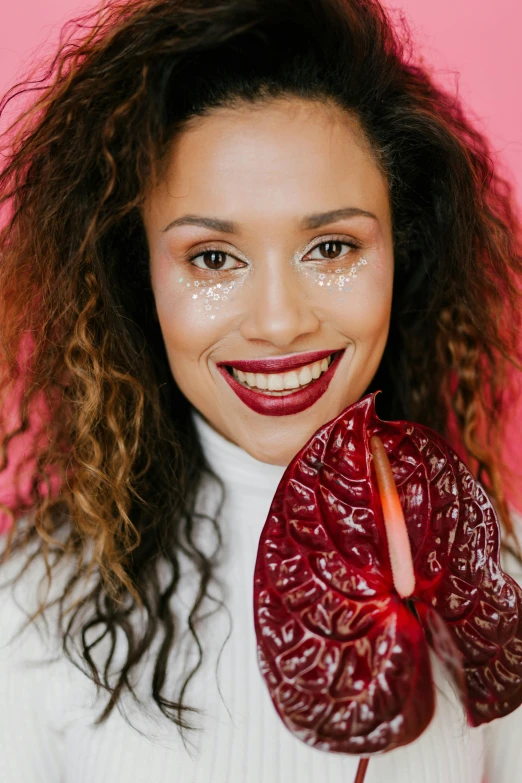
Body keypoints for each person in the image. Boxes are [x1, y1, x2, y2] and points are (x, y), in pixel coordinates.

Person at [0, 0, 521, 781]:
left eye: (332, 246)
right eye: (212, 259)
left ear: (401, 253)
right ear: (138, 277)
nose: (278, 323)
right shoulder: (34, 599)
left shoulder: (494, 564)